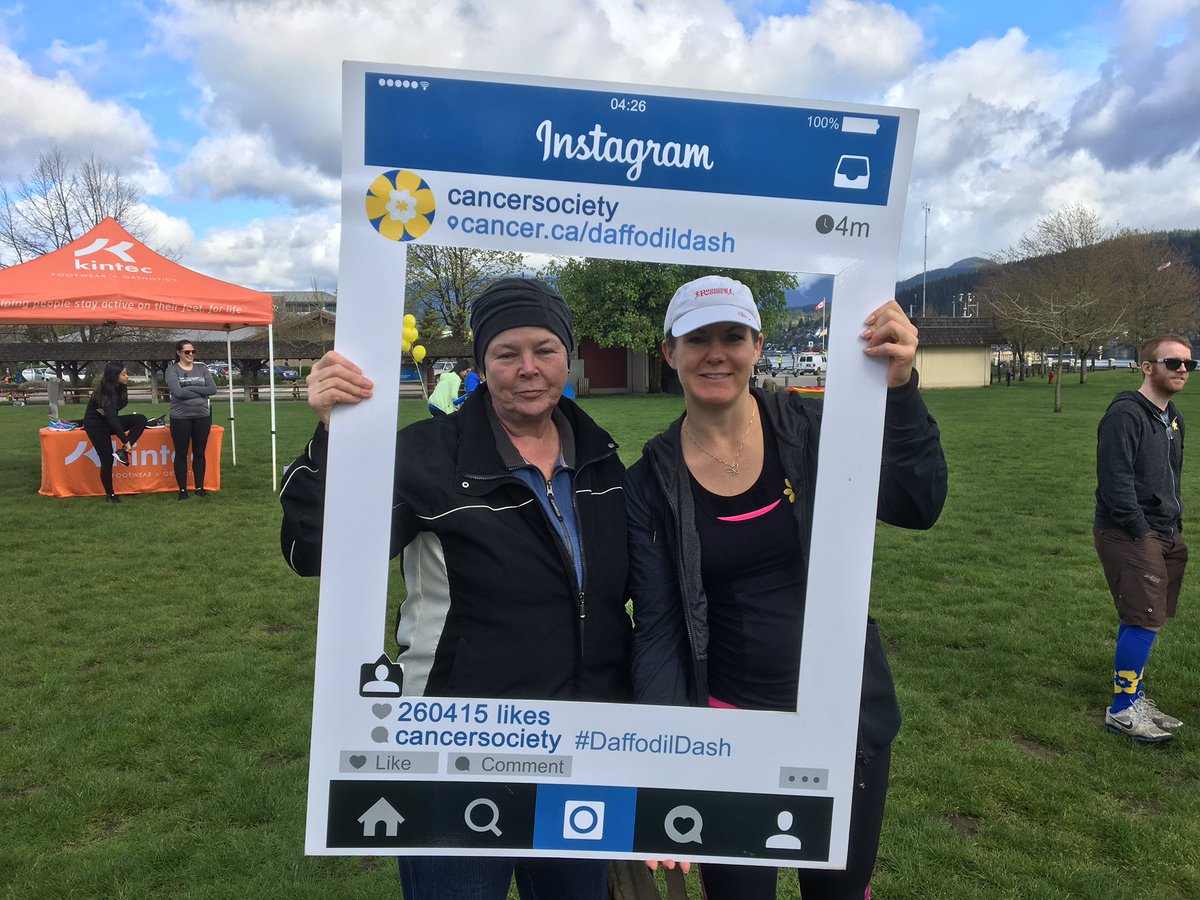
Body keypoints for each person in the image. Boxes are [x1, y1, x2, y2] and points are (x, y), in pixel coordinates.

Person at [280, 277, 631, 900]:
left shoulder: (601, 459)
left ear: (568, 356)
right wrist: (335, 439)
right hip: (453, 746)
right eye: (506, 353)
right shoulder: (425, 457)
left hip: (580, 747)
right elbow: (316, 550)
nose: (528, 368)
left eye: (545, 350)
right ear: (480, 365)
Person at [625, 275, 947, 900]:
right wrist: (668, 757)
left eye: (732, 337)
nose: (715, 354)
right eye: (697, 339)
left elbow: (918, 503)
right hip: (729, 730)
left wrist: (901, 388)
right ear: (669, 352)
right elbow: (658, 628)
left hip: (844, 719)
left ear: (757, 345)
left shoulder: (813, 429)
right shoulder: (651, 481)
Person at [1094, 334, 1192, 744]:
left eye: (1189, 363)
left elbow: (1170, 477)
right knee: (1145, 618)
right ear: (1147, 367)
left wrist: (1172, 525)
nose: (1183, 369)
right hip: (1130, 531)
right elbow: (1114, 481)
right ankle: (1122, 711)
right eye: (1173, 362)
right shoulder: (1125, 415)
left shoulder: (1172, 418)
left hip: (1165, 530)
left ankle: (1132, 696)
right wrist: (1141, 530)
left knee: (1143, 615)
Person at [82, 362, 148, 504]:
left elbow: (121, 406)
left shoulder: (121, 387)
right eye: (123, 374)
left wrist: (109, 410)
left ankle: (122, 452)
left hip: (108, 421)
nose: (127, 376)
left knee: (141, 419)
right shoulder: (103, 391)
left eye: (126, 373)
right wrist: (125, 440)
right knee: (107, 459)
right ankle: (110, 495)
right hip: (96, 425)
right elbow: (112, 419)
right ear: (114, 375)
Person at [165, 340, 217, 500]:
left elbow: (212, 389)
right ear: (179, 352)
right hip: (180, 417)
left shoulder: (202, 368)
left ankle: (199, 487)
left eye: (193, 351)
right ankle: (182, 490)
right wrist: (201, 391)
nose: (191, 354)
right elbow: (178, 393)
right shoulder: (172, 370)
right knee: (181, 454)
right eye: (187, 352)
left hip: (202, 416)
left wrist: (189, 387)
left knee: (199, 452)